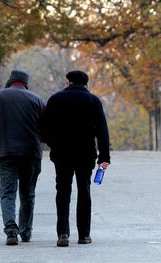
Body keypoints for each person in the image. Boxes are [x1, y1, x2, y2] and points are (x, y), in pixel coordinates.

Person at [41, 70, 111, 247]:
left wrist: (53, 143)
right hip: (85, 153)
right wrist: (104, 156)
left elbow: (43, 127)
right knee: (84, 191)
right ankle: (84, 235)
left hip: (62, 153)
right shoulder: (93, 101)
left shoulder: (55, 99)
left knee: (63, 191)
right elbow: (102, 130)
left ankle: (63, 233)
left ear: (68, 82)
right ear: (86, 83)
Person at [0, 70, 46, 246]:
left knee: (8, 192)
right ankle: (26, 232)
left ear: (10, 81)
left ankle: (11, 231)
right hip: (31, 153)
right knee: (28, 193)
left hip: (6, 153)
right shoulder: (37, 100)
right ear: (26, 83)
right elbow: (45, 128)